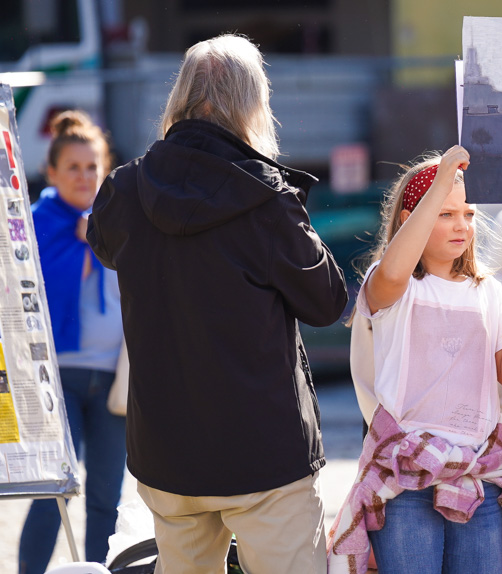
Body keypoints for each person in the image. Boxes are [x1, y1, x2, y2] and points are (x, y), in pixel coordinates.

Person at [86, 34, 347, 574]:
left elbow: (105, 245)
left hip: (167, 455)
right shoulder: (266, 200)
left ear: (179, 97)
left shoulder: (124, 191)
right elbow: (327, 302)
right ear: (253, 103)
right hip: (264, 455)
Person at [328, 146, 502, 574]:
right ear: (409, 219)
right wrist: (441, 182)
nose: (462, 226)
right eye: (445, 213)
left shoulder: (488, 292)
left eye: (469, 214)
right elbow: (394, 274)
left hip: (478, 475)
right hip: (405, 480)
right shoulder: (392, 283)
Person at [18, 111, 125, 574]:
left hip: (115, 378)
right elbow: (28, 292)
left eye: (92, 167)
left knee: (106, 496)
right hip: (52, 377)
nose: (84, 177)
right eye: (74, 167)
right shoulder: (36, 223)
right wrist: (86, 244)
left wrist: (101, 234)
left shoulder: (119, 221)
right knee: (49, 494)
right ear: (53, 172)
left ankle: (100, 571)